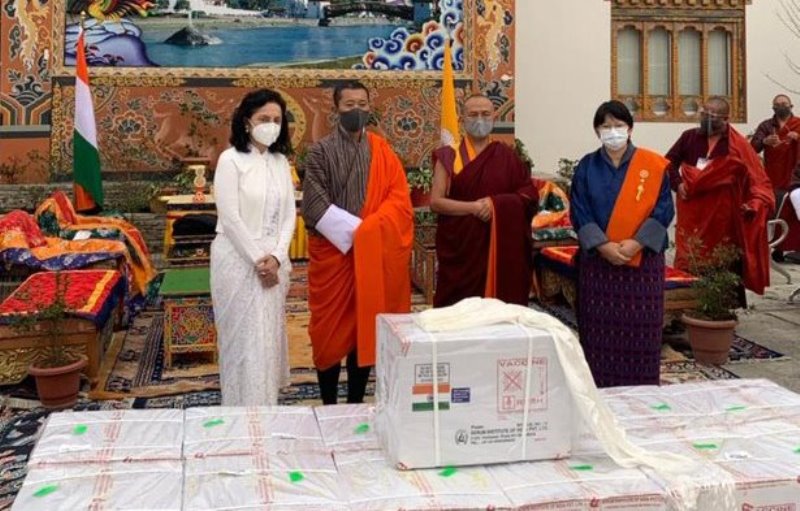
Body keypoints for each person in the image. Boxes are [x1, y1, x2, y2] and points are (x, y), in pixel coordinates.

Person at [301, 81, 413, 405]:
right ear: (336, 108)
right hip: (333, 257)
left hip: (370, 256)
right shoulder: (320, 151)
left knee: (365, 329)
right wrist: (361, 234)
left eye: (362, 104)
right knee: (327, 334)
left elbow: (399, 200)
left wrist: (371, 232)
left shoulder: (382, 150)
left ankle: (354, 403)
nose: (357, 110)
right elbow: (314, 206)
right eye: (349, 105)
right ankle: (328, 405)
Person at [569, 100, 674, 387]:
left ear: (630, 129)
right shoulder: (586, 167)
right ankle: (598, 388)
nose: (613, 131)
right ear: (597, 131)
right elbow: (579, 210)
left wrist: (636, 243)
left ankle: (642, 389)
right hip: (599, 263)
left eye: (618, 125)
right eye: (606, 126)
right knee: (598, 332)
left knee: (642, 330)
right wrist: (603, 246)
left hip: (642, 263)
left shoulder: (652, 165)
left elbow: (664, 209)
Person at [210, 89, 296, 406]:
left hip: (274, 262)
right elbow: (230, 218)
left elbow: (289, 215)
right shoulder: (230, 160)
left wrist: (277, 257)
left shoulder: (280, 162)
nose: (271, 125)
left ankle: (266, 407)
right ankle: (239, 410)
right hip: (238, 261)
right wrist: (259, 260)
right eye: (263, 119)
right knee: (243, 339)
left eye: (276, 120)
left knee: (266, 337)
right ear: (247, 121)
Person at [430, 94, 537, 308]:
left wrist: (495, 205)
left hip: (499, 246)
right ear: (462, 119)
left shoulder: (506, 155)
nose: (480, 119)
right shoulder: (449, 155)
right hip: (461, 247)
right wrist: (475, 208)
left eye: (486, 114)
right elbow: (436, 202)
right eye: (473, 114)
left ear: (494, 117)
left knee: (498, 310)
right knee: (458, 310)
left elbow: (529, 195)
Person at [666, 97, 775, 297]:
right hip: (691, 211)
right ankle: (688, 302)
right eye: (703, 114)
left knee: (722, 257)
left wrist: (755, 203)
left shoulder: (737, 144)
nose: (706, 120)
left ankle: (723, 304)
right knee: (690, 255)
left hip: (722, 215)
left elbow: (757, 179)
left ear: (726, 119)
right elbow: (668, 163)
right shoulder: (689, 137)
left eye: (712, 116)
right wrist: (678, 183)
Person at [751, 94, 800, 261]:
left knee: (793, 210)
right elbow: (753, 147)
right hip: (774, 174)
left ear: (791, 106)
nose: (781, 106)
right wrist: (765, 141)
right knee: (777, 209)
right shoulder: (766, 126)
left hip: (795, 174)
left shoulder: (798, 124)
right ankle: (777, 247)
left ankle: (796, 248)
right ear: (773, 107)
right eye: (777, 104)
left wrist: (798, 138)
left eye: (784, 103)